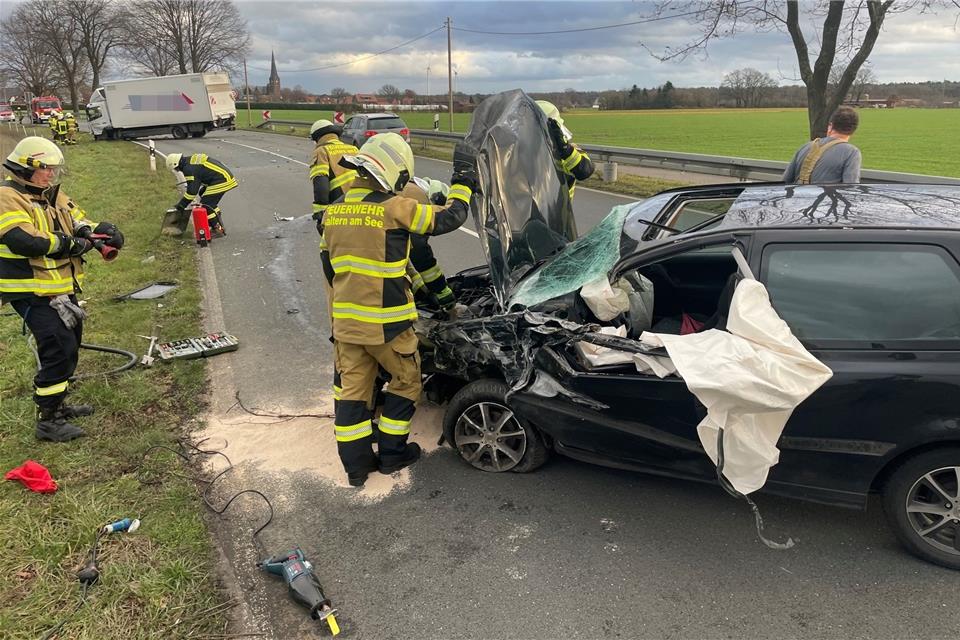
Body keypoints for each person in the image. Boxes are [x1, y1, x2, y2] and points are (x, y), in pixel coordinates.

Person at [321, 132, 477, 487]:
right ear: (395, 173)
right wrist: (463, 181)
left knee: (353, 394)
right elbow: (449, 218)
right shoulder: (394, 207)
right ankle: (392, 455)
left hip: (346, 324)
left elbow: (331, 267)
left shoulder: (334, 212)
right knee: (405, 383)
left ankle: (357, 468)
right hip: (388, 325)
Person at [0, 136, 124, 442]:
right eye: (46, 168)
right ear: (24, 167)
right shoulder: (7, 196)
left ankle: (59, 403)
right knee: (58, 347)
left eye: (54, 168)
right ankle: (49, 420)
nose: (51, 174)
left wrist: (96, 233)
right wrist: (72, 244)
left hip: (59, 285)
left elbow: (74, 216)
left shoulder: (48, 193)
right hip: (30, 289)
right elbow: (24, 240)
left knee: (71, 342)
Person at [403, 177, 456, 311]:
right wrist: (441, 290)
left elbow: (405, 255)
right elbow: (420, 255)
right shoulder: (419, 201)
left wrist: (420, 288)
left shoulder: (406, 190)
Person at [163, 152, 238, 237]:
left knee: (206, 204)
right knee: (205, 196)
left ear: (177, 164)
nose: (178, 170)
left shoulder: (188, 169)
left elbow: (192, 192)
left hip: (222, 179)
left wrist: (181, 205)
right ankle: (219, 223)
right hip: (223, 176)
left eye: (176, 169)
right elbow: (201, 174)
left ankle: (217, 230)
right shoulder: (189, 161)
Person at [783, 106, 862, 184]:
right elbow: (850, 187)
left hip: (798, 195)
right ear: (853, 131)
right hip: (825, 196)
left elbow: (785, 180)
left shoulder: (805, 147)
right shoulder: (851, 153)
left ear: (830, 126)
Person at [536, 100, 594, 200]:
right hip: (524, 213)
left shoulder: (567, 151)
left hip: (559, 212)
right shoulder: (519, 152)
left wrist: (566, 150)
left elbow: (585, 172)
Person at [309, 119, 359, 225]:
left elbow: (321, 184)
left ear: (318, 138)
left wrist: (320, 212)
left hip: (340, 206)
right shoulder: (353, 149)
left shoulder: (321, 151)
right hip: (362, 203)